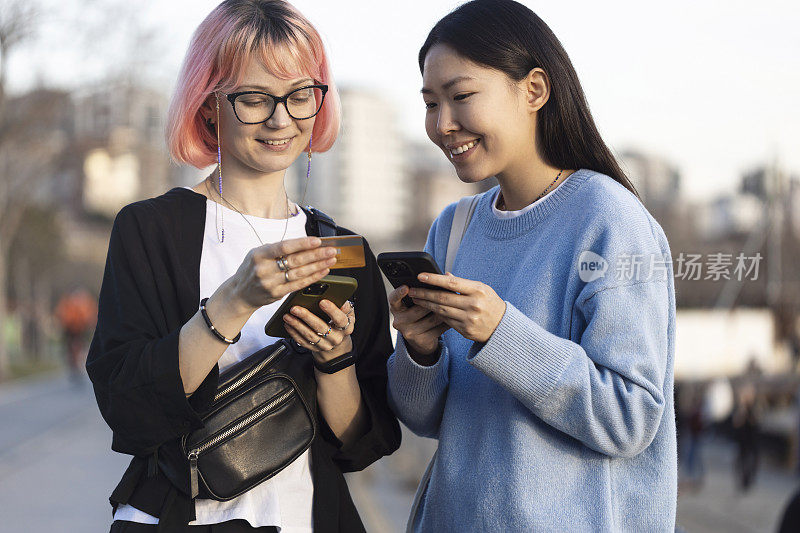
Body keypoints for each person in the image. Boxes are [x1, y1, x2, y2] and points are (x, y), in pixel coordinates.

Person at [86, 1, 400, 531]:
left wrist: (334, 358)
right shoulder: (151, 230)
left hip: (309, 517)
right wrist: (232, 303)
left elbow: (359, 444)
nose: (282, 119)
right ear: (209, 105)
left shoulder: (342, 249)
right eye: (254, 98)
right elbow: (128, 409)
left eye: (301, 95)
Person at [386, 1, 677, 531]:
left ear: (534, 90)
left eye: (462, 96)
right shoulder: (453, 228)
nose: (443, 124)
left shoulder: (610, 220)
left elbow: (631, 418)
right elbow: (424, 419)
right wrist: (419, 350)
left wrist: (501, 333)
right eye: (431, 103)